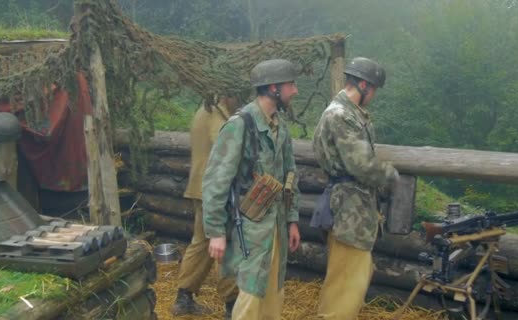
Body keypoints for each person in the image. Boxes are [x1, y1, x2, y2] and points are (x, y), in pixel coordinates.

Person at [202, 59, 301, 320]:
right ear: (272, 88)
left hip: (276, 226)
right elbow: (216, 180)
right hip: (251, 230)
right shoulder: (240, 125)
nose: (295, 90)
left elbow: (290, 174)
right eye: (290, 84)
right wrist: (215, 232)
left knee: (272, 296)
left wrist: (292, 220)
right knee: (250, 298)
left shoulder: (280, 126)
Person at [313, 57, 400, 320]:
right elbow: (361, 164)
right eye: (373, 89)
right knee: (346, 283)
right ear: (363, 85)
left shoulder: (349, 112)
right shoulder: (341, 115)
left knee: (351, 278)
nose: (372, 96)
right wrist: (391, 175)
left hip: (355, 207)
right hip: (350, 209)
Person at [171, 96, 240, 318]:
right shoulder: (216, 114)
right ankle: (232, 304)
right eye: (236, 95)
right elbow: (226, 146)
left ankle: (184, 297)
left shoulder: (205, 109)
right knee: (226, 244)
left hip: (202, 187)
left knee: (201, 243)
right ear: (227, 94)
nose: (239, 100)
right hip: (213, 191)